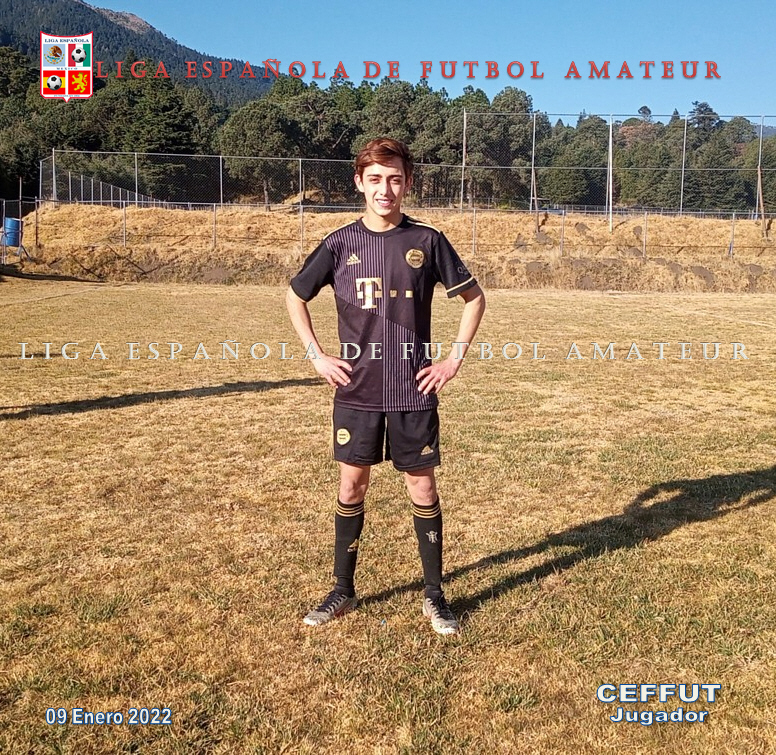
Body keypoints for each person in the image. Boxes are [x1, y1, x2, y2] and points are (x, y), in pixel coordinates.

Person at [286, 137, 485, 635]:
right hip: (357, 391)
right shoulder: (338, 244)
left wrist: (452, 361)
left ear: (408, 183)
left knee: (423, 486)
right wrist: (316, 356)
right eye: (375, 178)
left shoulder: (428, 241)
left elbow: (475, 299)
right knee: (351, 485)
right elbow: (294, 295)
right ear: (359, 182)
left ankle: (435, 595)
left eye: (395, 179)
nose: (385, 189)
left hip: (412, 391)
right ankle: (342, 589)